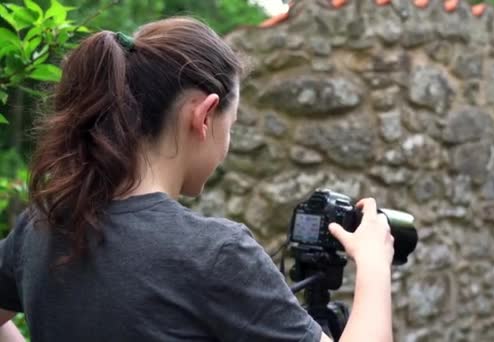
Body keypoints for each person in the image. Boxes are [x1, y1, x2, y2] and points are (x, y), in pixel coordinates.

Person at [0, 17, 394, 342]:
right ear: (204, 116)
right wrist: (374, 265)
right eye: (231, 124)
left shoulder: (42, 223)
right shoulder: (216, 253)